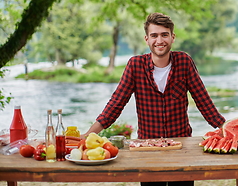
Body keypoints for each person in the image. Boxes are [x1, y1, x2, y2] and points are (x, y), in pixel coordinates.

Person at [83, 12, 226, 186]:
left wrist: (226, 129)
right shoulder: (135, 65)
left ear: (172, 37)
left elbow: (204, 101)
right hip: (147, 148)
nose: (160, 40)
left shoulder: (184, 62)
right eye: (154, 35)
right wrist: (89, 134)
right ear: (147, 39)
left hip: (181, 146)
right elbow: (116, 104)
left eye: (164, 35)